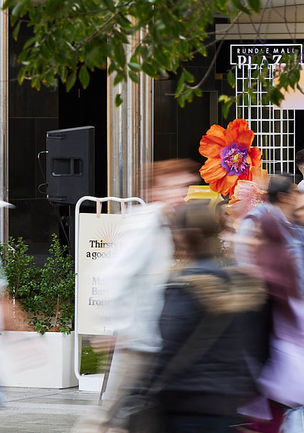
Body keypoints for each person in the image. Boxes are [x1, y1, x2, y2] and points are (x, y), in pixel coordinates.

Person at [148, 202, 266, 432]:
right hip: (225, 403)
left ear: (183, 237)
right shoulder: (236, 284)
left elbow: (167, 349)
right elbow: (255, 347)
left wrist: (143, 391)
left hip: (185, 404)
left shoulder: (182, 288)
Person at [239, 176, 304, 433]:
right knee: (281, 398)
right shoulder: (265, 223)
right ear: (285, 196)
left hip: (291, 322)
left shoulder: (291, 228)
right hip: (275, 323)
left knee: (289, 398)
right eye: (296, 194)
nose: (302, 201)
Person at [97, 160, 199, 407]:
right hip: (136, 341)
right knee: (111, 417)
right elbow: (115, 273)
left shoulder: (165, 224)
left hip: (153, 340)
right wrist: (118, 324)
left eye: (184, 187)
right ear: (156, 191)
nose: (180, 194)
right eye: (173, 187)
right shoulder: (146, 223)